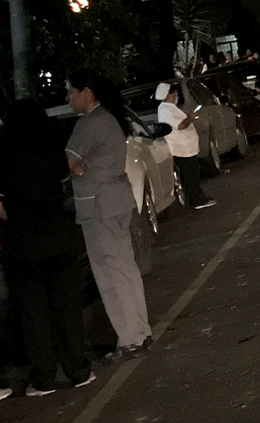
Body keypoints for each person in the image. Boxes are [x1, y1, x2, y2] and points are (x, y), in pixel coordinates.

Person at [0, 100, 95, 396]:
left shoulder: (4, 154)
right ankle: (78, 370)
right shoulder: (52, 146)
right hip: (59, 236)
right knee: (67, 307)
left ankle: (43, 377)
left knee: (33, 313)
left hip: (23, 243)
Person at [65, 69, 152, 362]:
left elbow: (68, 162)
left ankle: (129, 339)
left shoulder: (88, 124)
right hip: (117, 200)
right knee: (125, 269)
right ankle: (140, 331)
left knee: (110, 274)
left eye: (71, 92)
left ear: (86, 93)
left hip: (98, 205)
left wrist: (77, 169)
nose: (69, 98)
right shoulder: (111, 119)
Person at [155, 83, 217, 210]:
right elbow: (180, 126)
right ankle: (197, 200)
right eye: (175, 94)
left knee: (192, 174)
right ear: (169, 94)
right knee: (190, 176)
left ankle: (198, 197)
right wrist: (191, 117)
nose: (176, 96)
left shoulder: (170, 108)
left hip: (186, 148)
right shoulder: (165, 109)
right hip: (181, 149)